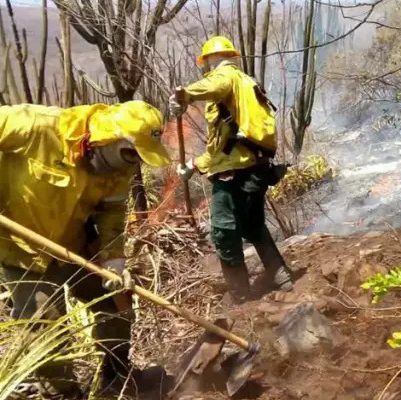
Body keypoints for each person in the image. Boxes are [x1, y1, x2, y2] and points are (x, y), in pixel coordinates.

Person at [0, 101, 171, 397]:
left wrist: (114, 260)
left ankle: (117, 375)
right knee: (45, 324)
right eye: (131, 153)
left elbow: (112, 213)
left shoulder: (121, 167)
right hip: (21, 249)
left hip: (76, 242)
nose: (135, 163)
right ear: (106, 137)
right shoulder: (35, 126)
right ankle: (62, 393)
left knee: (114, 299)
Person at [169, 36, 294, 304]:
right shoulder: (247, 83)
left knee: (224, 231)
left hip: (235, 173)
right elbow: (224, 147)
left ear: (210, 61)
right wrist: (194, 164)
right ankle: (281, 274)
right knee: (252, 224)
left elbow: (216, 86)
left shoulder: (225, 77)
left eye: (206, 64)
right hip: (256, 166)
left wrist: (186, 95)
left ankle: (239, 295)